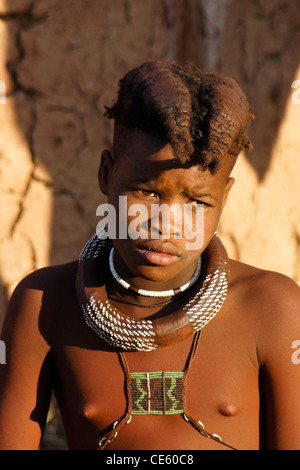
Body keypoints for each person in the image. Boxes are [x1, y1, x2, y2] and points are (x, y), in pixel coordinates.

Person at [0, 60, 300, 451]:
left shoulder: (272, 307)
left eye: (197, 200)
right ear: (106, 174)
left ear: (224, 198)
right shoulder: (44, 303)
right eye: (147, 192)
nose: (166, 224)